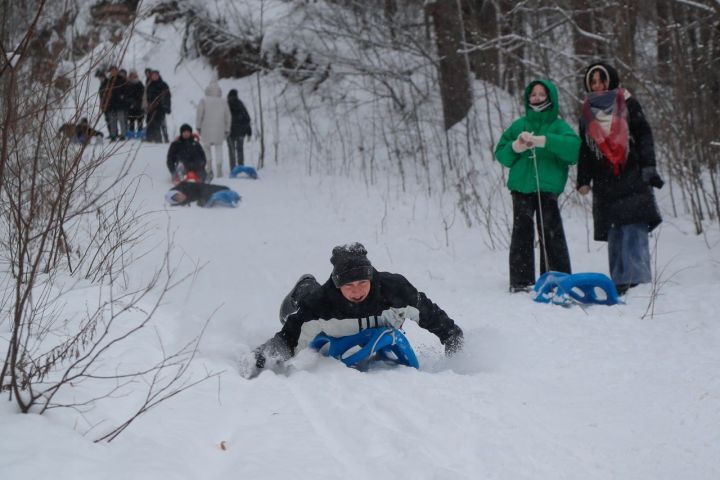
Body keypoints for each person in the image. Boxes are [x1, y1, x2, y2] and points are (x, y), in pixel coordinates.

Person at [253, 243, 464, 370]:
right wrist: (263, 357)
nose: (357, 291)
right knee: (299, 305)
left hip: (373, 329)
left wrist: (452, 338)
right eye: (349, 286)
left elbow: (432, 315)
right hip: (324, 319)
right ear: (338, 286)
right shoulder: (321, 303)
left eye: (363, 283)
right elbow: (290, 337)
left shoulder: (395, 290)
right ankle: (304, 285)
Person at [576, 62, 663, 295]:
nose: (597, 85)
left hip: (630, 172)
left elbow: (644, 134)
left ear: (611, 80)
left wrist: (649, 166)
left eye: (601, 79)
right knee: (615, 231)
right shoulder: (587, 112)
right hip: (604, 179)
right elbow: (584, 149)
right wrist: (582, 179)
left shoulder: (628, 102)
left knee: (633, 227)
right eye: (592, 81)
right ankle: (619, 282)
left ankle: (639, 283)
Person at [494, 79, 580, 293]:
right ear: (527, 98)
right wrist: (516, 146)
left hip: (548, 186)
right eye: (533, 94)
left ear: (550, 98)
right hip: (521, 186)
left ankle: (557, 277)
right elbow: (502, 154)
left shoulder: (559, 126)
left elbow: (574, 150)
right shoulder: (519, 125)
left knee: (551, 231)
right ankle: (521, 281)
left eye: (542, 94)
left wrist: (545, 141)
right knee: (521, 231)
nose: (537, 98)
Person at [196, 81, 231, 179]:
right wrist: (227, 128)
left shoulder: (203, 100)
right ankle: (219, 170)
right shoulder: (223, 101)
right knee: (219, 148)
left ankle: (209, 167)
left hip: (206, 128)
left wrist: (198, 126)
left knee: (207, 148)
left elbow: (200, 114)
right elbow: (228, 116)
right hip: (220, 129)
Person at [227, 89, 252, 169]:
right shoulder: (240, 104)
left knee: (231, 151)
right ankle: (241, 166)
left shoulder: (226, 105)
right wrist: (249, 132)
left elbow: (222, 119)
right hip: (241, 132)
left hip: (230, 132)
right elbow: (247, 118)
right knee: (240, 150)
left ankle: (233, 168)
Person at [145, 70, 171, 143]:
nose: (154, 77)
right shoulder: (149, 85)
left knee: (161, 124)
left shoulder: (163, 84)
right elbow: (147, 96)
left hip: (161, 107)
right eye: (153, 75)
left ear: (158, 76)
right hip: (152, 107)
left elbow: (168, 97)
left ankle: (164, 138)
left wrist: (167, 107)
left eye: (156, 75)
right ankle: (152, 138)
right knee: (150, 122)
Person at [125, 69, 145, 138]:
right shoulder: (127, 84)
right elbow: (126, 95)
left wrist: (137, 101)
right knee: (131, 121)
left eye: (134, 75)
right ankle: (131, 134)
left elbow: (143, 94)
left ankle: (140, 134)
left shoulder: (140, 84)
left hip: (139, 106)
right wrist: (130, 101)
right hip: (130, 106)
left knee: (140, 121)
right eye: (131, 75)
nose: (133, 77)